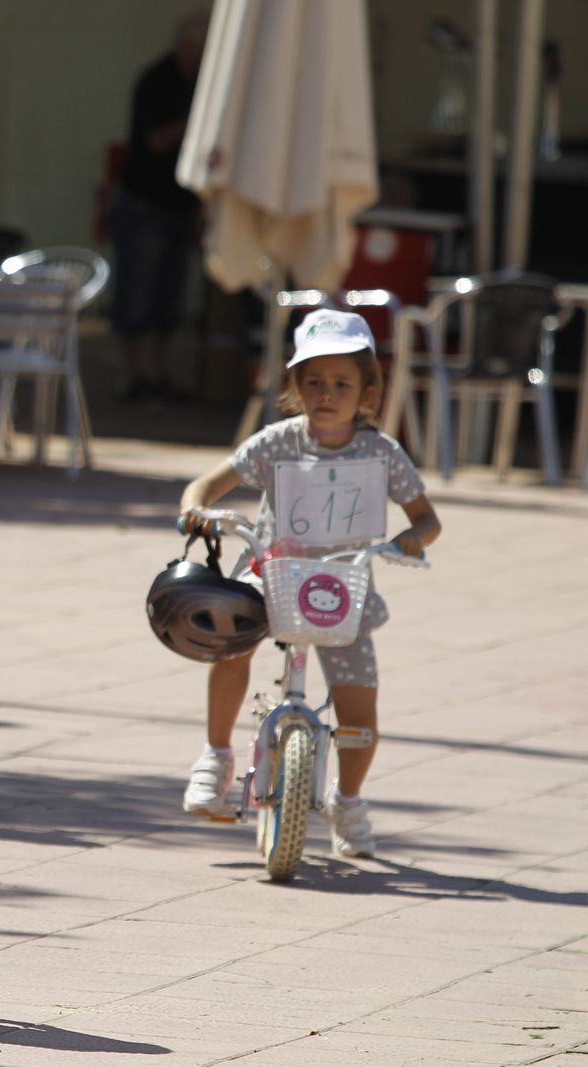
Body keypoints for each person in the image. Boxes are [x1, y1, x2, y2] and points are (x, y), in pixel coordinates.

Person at [176, 309, 441, 858]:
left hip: (344, 587)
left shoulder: (382, 453)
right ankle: (217, 754)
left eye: (342, 383)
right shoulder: (278, 443)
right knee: (230, 643)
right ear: (295, 386)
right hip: (273, 573)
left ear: (368, 390)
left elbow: (426, 517)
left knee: (359, 710)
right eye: (314, 382)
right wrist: (196, 508)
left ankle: (349, 799)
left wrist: (414, 538)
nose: (327, 394)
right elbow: (207, 483)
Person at [110, 12, 207, 404]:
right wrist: (195, 124)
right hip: (144, 203)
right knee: (137, 293)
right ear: (188, 46)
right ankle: (131, 374)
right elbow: (153, 141)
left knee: (169, 296)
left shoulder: (201, 84)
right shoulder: (157, 80)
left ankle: (157, 372)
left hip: (179, 205)